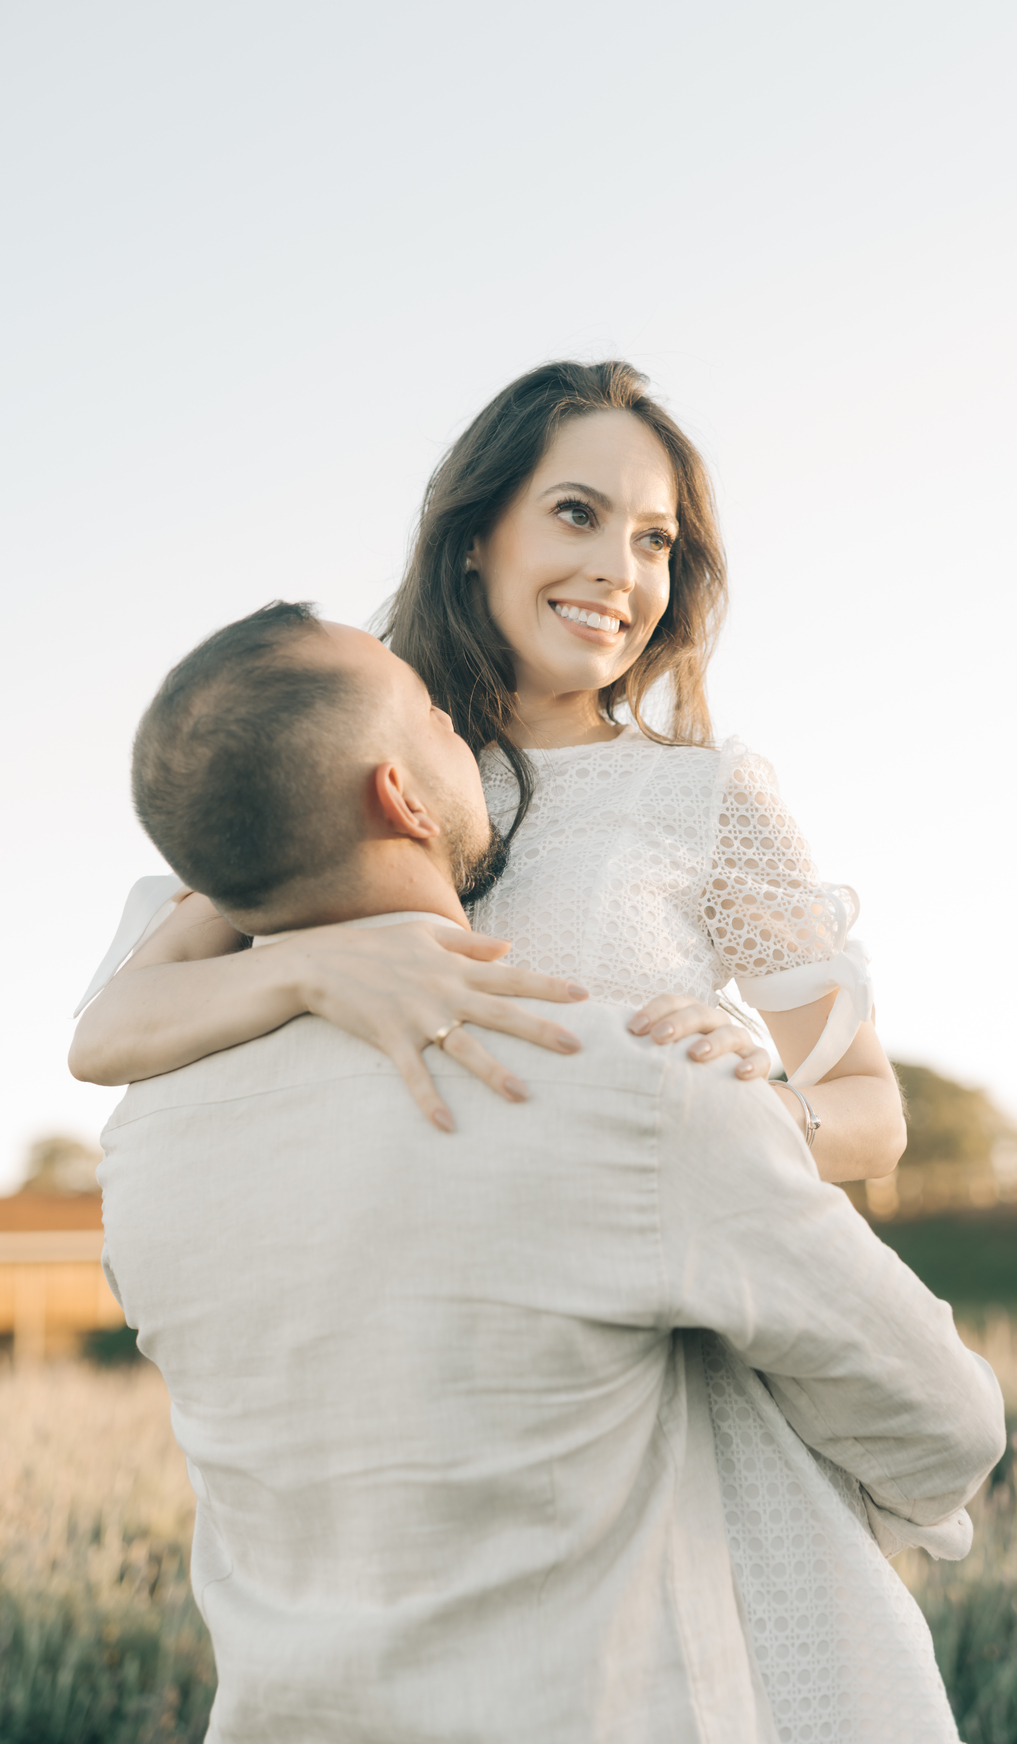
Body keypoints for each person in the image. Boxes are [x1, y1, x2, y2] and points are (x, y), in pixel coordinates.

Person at [70, 362, 921, 1729]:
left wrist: (757, 1100)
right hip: (428, 1411)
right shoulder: (334, 760)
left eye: (658, 542)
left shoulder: (705, 797)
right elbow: (114, 1033)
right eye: (578, 515)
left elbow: (871, 1110)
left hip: (676, 1411)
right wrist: (306, 965)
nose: (621, 572)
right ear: (479, 535)